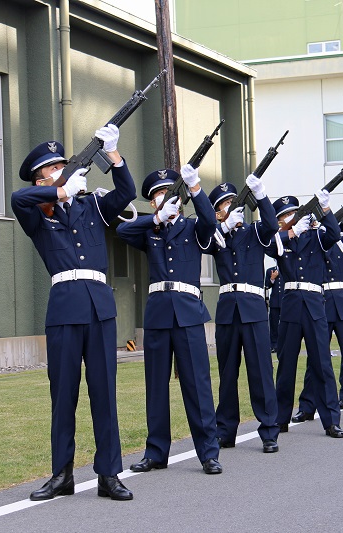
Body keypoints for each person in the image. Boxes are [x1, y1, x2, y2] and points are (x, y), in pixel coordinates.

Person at [11, 125, 135, 501]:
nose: (59, 170)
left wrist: (114, 156)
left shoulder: (92, 204)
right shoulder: (38, 213)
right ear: (40, 180)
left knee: (104, 394)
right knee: (63, 395)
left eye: (62, 166)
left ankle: (109, 475)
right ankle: (62, 474)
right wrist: (60, 191)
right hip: (64, 311)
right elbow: (18, 198)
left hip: (99, 309)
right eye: (51, 170)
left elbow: (127, 193)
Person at [116, 164, 222, 475]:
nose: (164, 198)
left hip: (188, 313)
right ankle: (156, 452)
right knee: (156, 386)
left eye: (168, 193)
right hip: (159, 314)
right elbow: (122, 230)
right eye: (159, 195)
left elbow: (211, 221)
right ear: (152, 203)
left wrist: (196, 188)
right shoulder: (149, 229)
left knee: (197, 385)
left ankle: (208, 453)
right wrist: (157, 220)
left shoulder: (193, 228)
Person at [201, 176, 280, 453]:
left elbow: (272, 225)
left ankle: (269, 430)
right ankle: (226, 430)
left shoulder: (254, 230)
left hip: (254, 308)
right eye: (222, 205)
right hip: (227, 311)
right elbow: (207, 243)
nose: (228, 208)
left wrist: (261, 194)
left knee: (261, 371)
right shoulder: (216, 235)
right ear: (217, 212)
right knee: (227, 373)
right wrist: (222, 225)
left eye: (231, 203)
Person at [291, 199, 343, 425]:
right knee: (316, 359)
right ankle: (307, 406)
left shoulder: (340, 241)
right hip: (321, 301)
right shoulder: (311, 239)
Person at [266, 193, 343, 438]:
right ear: (281, 222)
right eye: (286, 217)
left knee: (322, 363)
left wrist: (326, 209)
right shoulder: (282, 239)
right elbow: (269, 246)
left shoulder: (316, 236)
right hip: (290, 304)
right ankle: (280, 418)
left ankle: (331, 420)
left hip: (313, 303)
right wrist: (291, 231)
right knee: (286, 364)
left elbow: (334, 235)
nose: (290, 218)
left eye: (293, 214)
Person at [264, 265, 283, 352]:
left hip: (285, 301)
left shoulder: (286, 269)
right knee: (273, 324)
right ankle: (273, 345)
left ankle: (283, 344)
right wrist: (272, 278)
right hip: (275, 301)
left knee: (284, 324)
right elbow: (267, 285)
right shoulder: (270, 270)